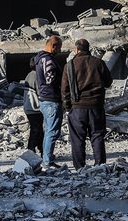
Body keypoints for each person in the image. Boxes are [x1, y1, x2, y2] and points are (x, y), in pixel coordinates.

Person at [61, 39, 112, 169]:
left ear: (76, 50)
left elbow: (64, 89)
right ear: (88, 48)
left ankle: (80, 167)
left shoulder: (70, 65)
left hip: (77, 108)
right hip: (96, 106)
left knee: (77, 139)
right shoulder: (98, 62)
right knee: (97, 136)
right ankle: (100, 165)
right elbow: (108, 82)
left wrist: (68, 107)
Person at [34, 36, 65, 167]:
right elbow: (50, 79)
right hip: (51, 99)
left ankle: (47, 158)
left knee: (48, 130)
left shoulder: (40, 59)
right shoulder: (48, 60)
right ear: (54, 46)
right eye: (59, 47)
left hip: (45, 99)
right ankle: (47, 161)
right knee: (52, 131)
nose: (59, 50)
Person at [22, 57, 44, 155]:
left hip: (28, 107)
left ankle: (40, 149)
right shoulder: (37, 76)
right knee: (36, 129)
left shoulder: (29, 75)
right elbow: (41, 92)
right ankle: (31, 150)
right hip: (35, 108)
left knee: (37, 129)